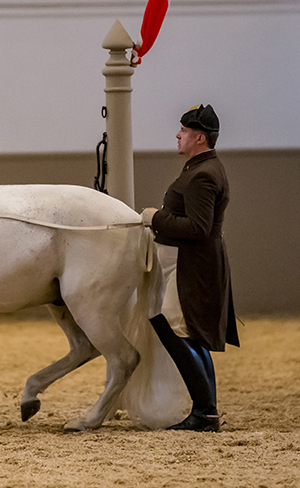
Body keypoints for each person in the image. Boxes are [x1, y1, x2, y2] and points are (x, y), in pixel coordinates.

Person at [140, 104, 239, 432]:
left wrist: (155, 217)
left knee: (172, 326)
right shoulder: (201, 168)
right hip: (187, 265)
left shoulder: (203, 175)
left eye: (183, 131)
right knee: (189, 333)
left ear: (199, 138)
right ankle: (205, 410)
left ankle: (205, 411)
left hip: (191, 266)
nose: (177, 135)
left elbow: (197, 227)